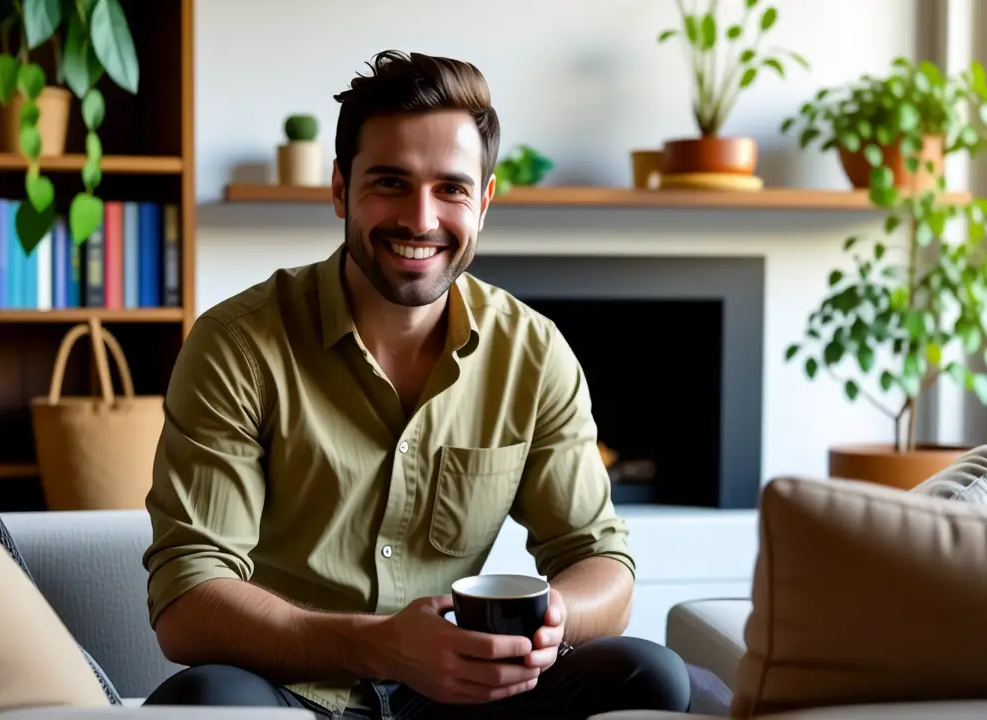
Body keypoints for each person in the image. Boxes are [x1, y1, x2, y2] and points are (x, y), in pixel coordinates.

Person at [139, 49, 691, 719]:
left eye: (451, 188)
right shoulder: (237, 345)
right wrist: (381, 647)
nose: (421, 220)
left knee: (648, 676)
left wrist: (554, 620)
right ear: (340, 189)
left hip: (465, 695)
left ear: (484, 202)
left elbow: (600, 561)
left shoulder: (534, 353)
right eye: (390, 182)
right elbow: (187, 603)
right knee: (206, 701)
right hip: (294, 689)